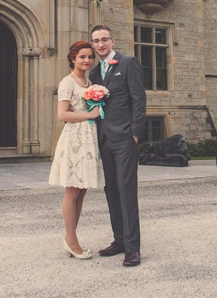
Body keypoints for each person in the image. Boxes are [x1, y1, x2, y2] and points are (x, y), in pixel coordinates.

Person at [89, 25, 146, 267]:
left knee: (126, 192)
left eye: (104, 40)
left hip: (124, 139)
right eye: (95, 41)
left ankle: (133, 248)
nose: (100, 44)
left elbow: (139, 99)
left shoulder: (128, 63)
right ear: (92, 44)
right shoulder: (94, 74)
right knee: (111, 191)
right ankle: (119, 240)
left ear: (112, 41)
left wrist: (134, 134)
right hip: (104, 139)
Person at [49, 41, 105, 259]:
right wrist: (89, 115)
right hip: (74, 139)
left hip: (89, 139)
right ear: (73, 58)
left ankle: (71, 238)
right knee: (72, 190)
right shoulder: (68, 82)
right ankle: (71, 240)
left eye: (90, 57)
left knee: (82, 190)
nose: (87, 60)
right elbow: (62, 115)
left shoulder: (90, 82)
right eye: (82, 57)